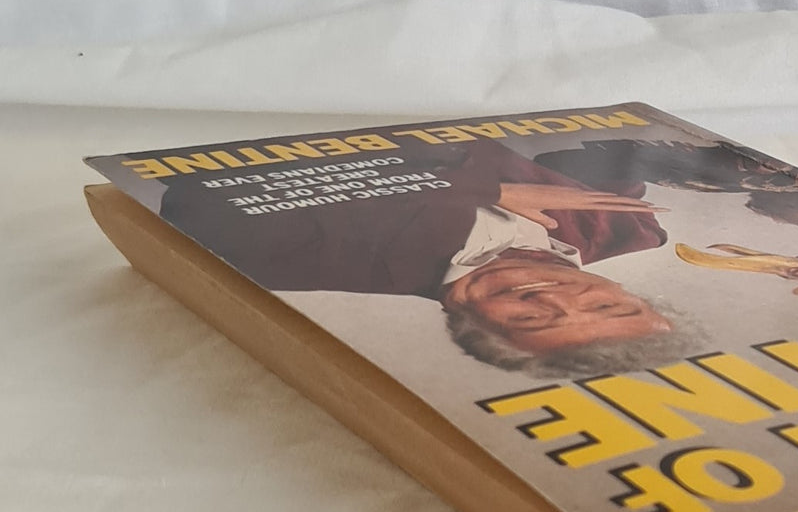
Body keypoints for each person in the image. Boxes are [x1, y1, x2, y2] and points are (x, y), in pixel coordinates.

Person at [157, 139, 704, 377]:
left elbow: (195, 202)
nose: (551, 297)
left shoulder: (307, 263)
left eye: (532, 320)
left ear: (470, 324)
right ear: (627, 293)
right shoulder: (629, 229)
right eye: (606, 308)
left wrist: (486, 191)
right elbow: (580, 151)